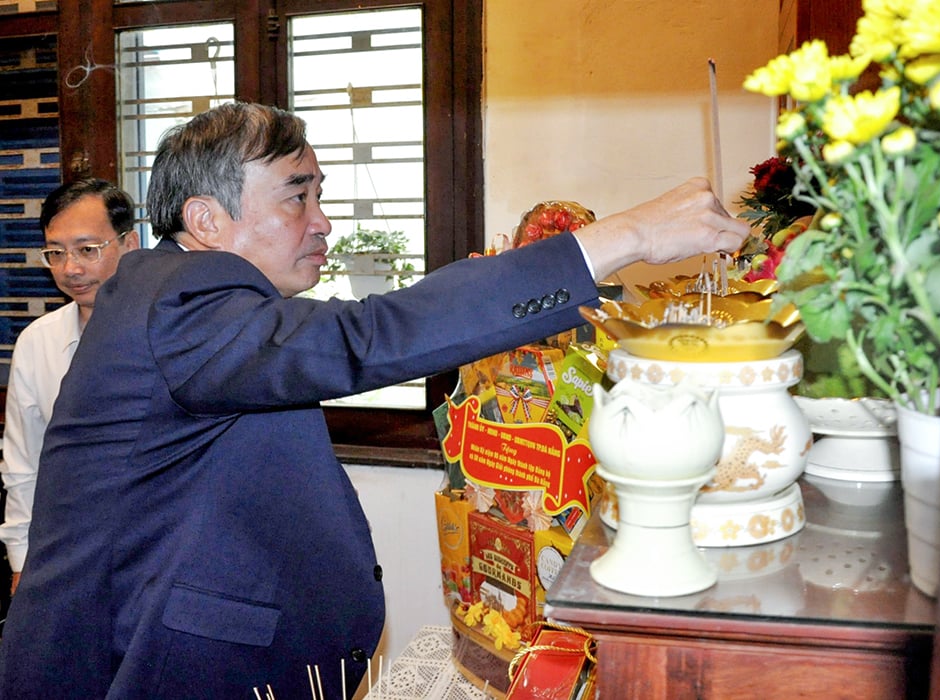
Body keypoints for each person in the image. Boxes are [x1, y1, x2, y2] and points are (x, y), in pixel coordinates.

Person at [0, 102, 748, 699]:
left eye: (318, 194)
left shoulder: (185, 299)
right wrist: (631, 233)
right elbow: (365, 337)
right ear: (205, 220)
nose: (322, 220)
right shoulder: (181, 294)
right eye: (298, 195)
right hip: (135, 664)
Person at [0, 179, 139, 598]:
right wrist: (21, 559)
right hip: (66, 549)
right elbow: (24, 463)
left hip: (156, 551)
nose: (70, 268)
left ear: (129, 245)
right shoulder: (37, 342)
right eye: (55, 253)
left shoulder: (167, 333)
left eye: (87, 250)